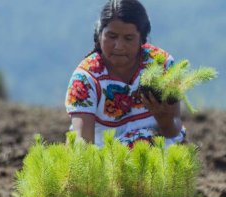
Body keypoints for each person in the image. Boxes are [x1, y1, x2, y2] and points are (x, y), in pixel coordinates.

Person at [65, 0, 186, 148]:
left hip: (158, 151)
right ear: (99, 34)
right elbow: (83, 142)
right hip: (106, 157)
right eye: (111, 36)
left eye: (128, 38)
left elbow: (173, 131)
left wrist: (163, 119)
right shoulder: (86, 78)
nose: (119, 46)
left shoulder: (162, 65)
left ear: (142, 38)